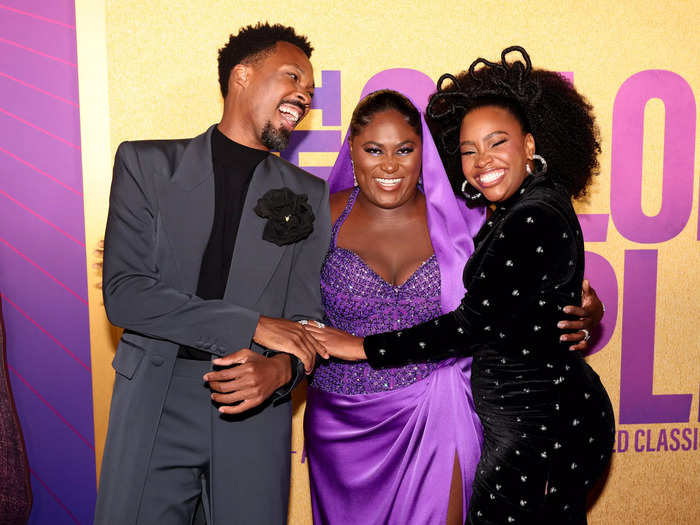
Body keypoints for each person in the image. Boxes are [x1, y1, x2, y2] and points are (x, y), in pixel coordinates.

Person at [308, 48, 615, 524]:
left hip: (442, 412)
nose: (390, 164)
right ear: (351, 149)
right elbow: (281, 303)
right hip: (344, 424)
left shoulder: (468, 218)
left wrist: (583, 310)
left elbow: (494, 310)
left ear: (425, 151)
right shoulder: (321, 218)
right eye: (374, 149)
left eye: (405, 149)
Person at [95, 23, 330, 525]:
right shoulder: (145, 164)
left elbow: (306, 322)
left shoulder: (308, 195)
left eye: (309, 91)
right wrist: (252, 325)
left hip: (254, 400)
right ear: (242, 76)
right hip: (155, 399)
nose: (303, 96)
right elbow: (126, 295)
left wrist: (281, 372)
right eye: (292, 77)